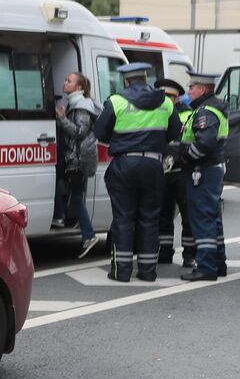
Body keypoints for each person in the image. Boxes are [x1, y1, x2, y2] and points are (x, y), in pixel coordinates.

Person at [93, 62, 180, 282]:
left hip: (125, 164)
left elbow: (99, 132)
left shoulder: (117, 101)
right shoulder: (165, 102)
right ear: (145, 78)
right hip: (153, 165)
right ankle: (148, 271)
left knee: (123, 218)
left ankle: (121, 272)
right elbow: (174, 131)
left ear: (126, 80)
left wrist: (122, 141)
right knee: (150, 218)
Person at [177, 71, 230, 282]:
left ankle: (207, 267)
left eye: (192, 86)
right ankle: (218, 264)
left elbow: (204, 143)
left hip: (203, 170)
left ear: (204, 89)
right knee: (213, 219)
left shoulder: (206, 111)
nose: (189, 90)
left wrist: (185, 159)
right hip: (211, 169)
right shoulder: (210, 108)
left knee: (202, 219)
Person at [50, 71, 102, 257]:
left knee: (77, 199)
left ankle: (88, 235)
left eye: (68, 80)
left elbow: (80, 132)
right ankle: (61, 217)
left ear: (78, 87)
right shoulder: (77, 104)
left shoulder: (82, 107)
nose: (64, 82)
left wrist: (62, 119)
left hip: (78, 160)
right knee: (71, 192)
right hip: (76, 158)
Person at [156, 78, 196, 269]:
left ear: (176, 97)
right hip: (163, 172)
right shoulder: (157, 114)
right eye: (162, 96)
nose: (165, 100)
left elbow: (188, 142)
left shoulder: (188, 114)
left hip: (182, 172)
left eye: (169, 97)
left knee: (187, 216)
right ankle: (164, 251)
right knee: (163, 214)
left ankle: (189, 255)